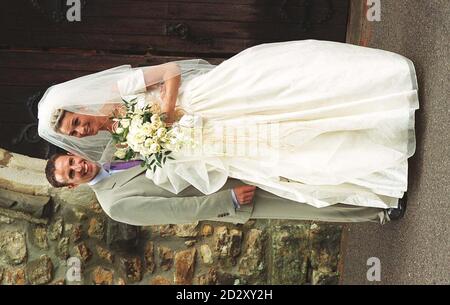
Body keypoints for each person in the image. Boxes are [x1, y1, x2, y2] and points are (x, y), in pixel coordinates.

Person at [38, 40, 419, 210]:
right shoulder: (118, 149)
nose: (80, 129)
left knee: (290, 92)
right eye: (73, 133)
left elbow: (170, 71)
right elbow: (169, 169)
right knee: (290, 154)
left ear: (78, 108)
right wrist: (164, 145)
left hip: (210, 100)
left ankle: (385, 101)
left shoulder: (119, 91)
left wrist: (167, 113)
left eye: (75, 121)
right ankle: (382, 156)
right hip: (214, 143)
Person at [44, 153, 406, 226]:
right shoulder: (114, 205)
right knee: (310, 207)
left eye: (71, 161)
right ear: (73, 184)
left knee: (305, 176)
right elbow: (177, 212)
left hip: (221, 165)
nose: (78, 167)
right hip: (231, 196)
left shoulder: (113, 153)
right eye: (70, 174)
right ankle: (380, 211)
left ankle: (376, 184)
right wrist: (228, 201)